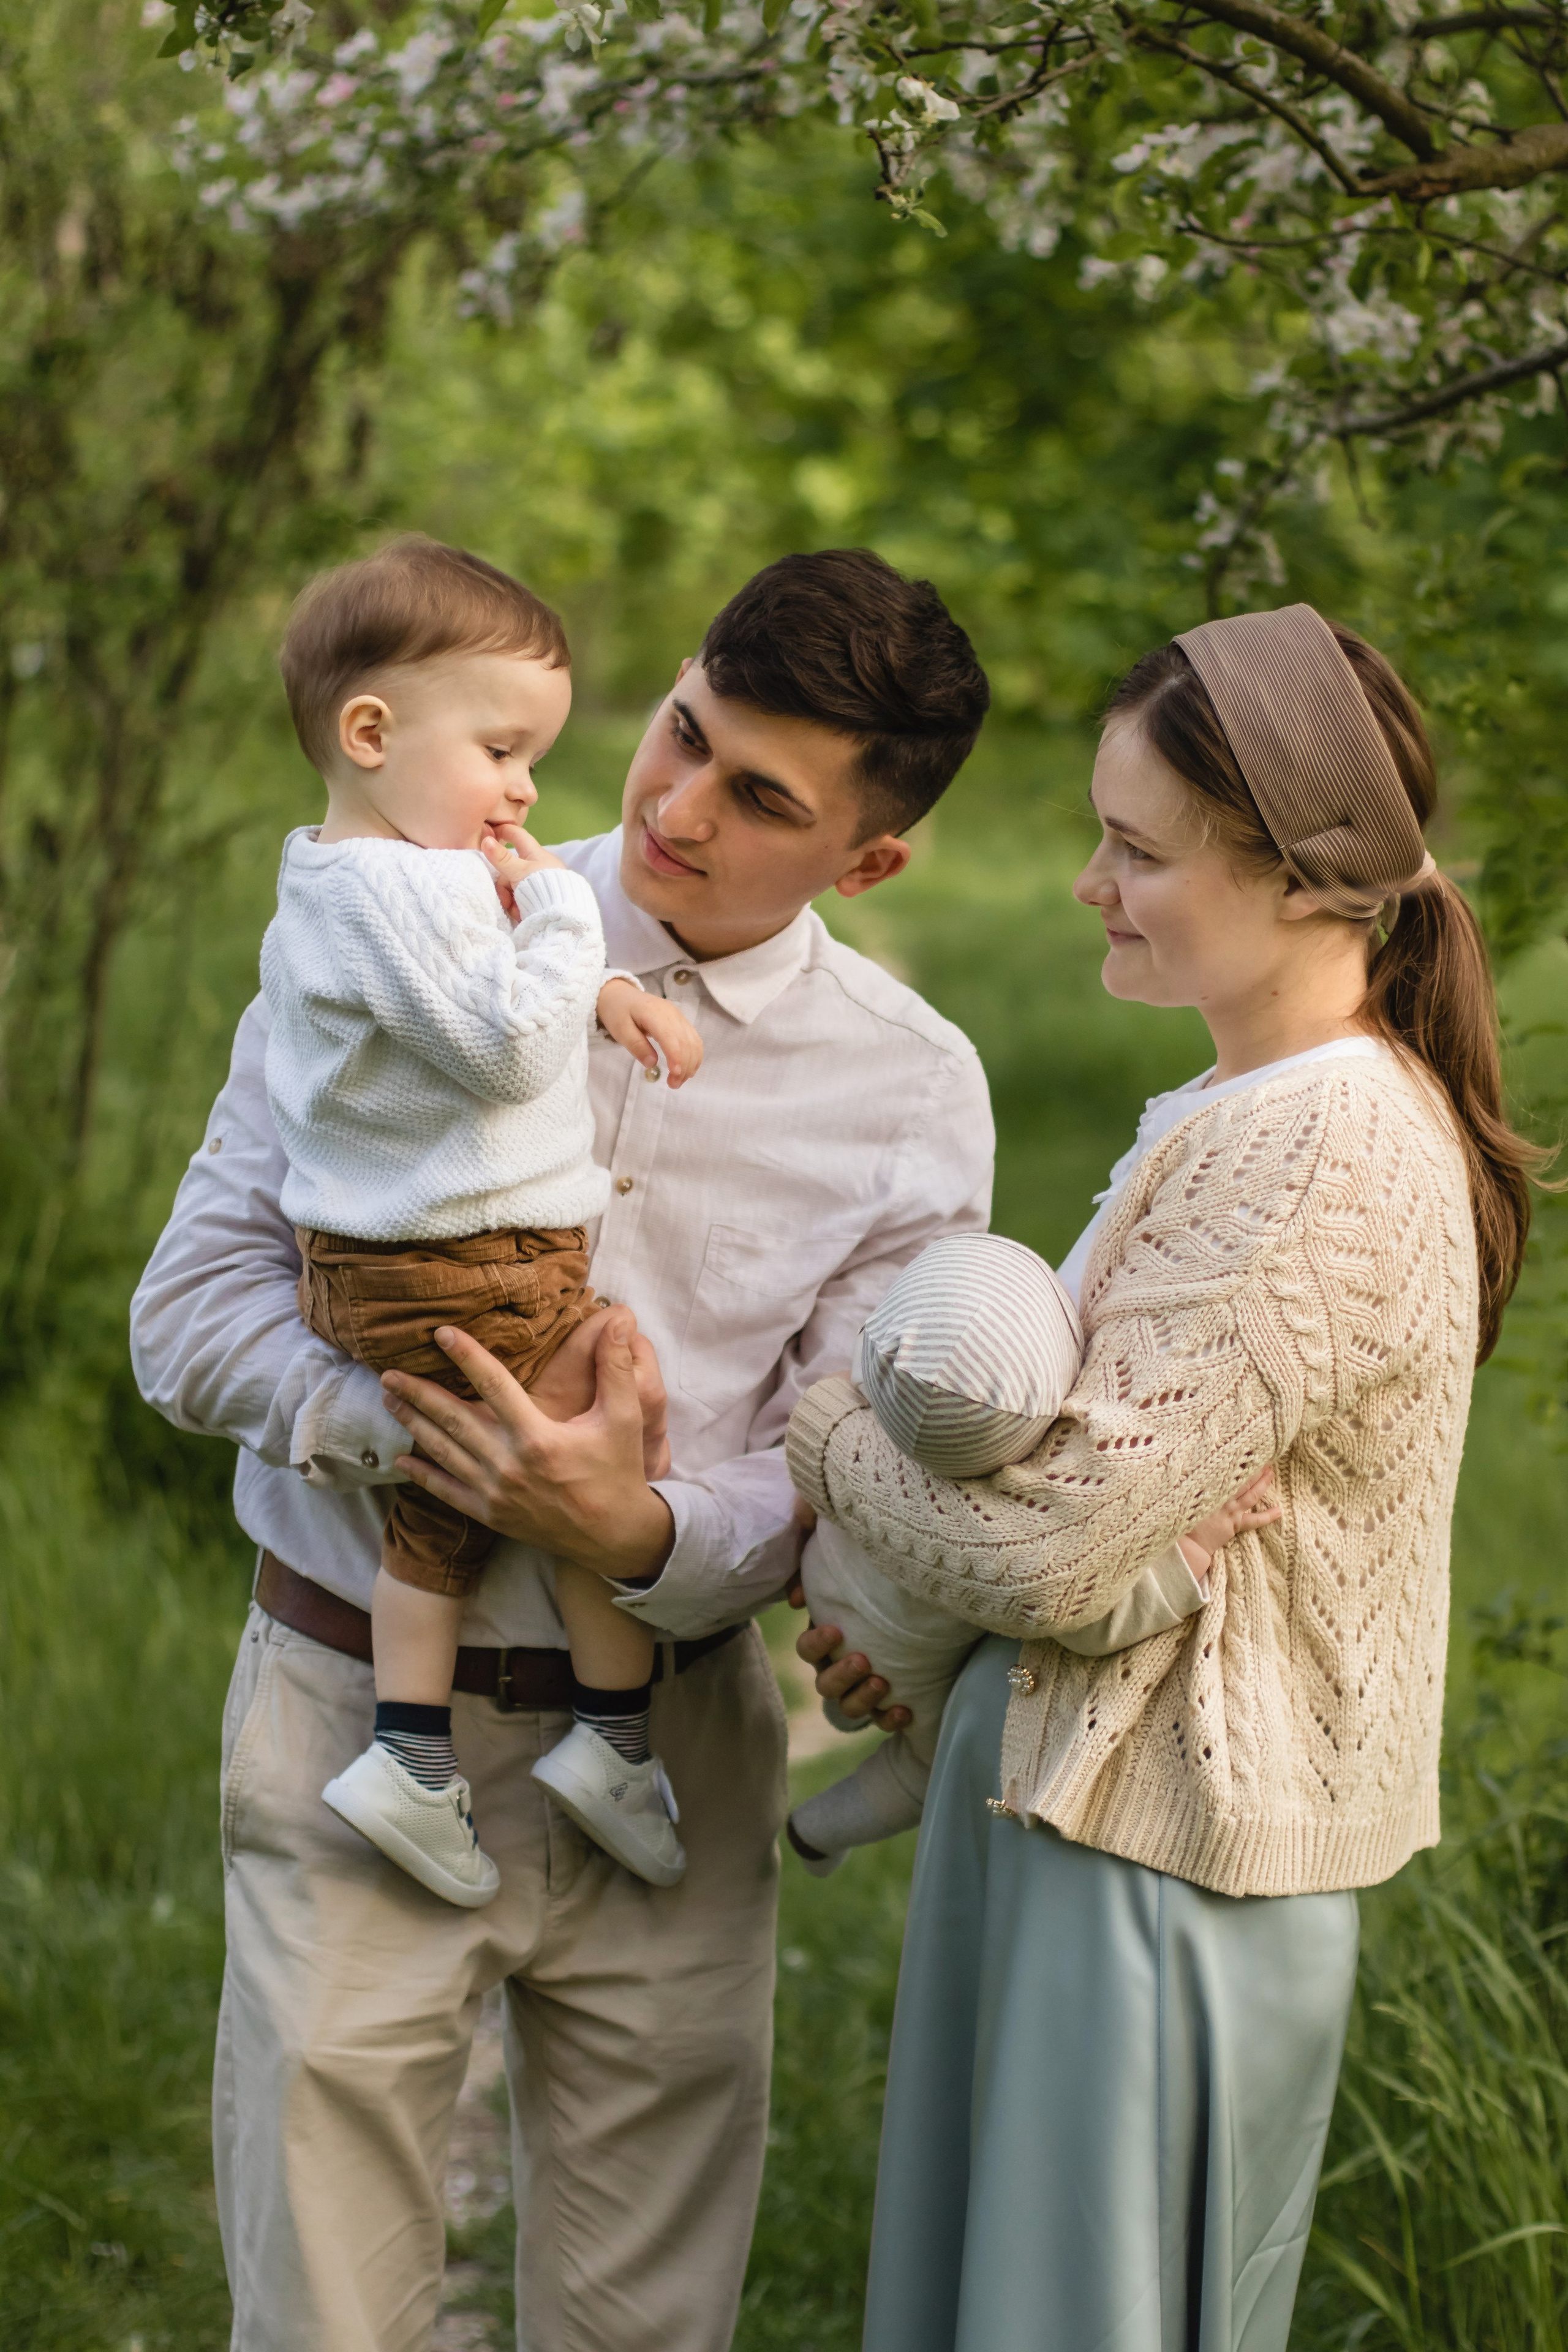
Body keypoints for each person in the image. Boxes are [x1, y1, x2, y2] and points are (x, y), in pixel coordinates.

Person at [130, 547, 996, 2352]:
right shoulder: (390, 912)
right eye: (681, 729)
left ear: (871, 857)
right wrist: (410, 1430)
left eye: (760, 796)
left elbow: (847, 1463)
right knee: (324, 2315)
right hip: (349, 1689)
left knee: (638, 2320)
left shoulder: (909, 1090)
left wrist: (649, 1518)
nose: (674, 804)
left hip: (669, 1748)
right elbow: (189, 1309)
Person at [788, 605, 1542, 2352]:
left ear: (1300, 878)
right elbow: (1081, 1527)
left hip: (1160, 1871)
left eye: (1135, 851)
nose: (1088, 886)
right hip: (1091, 1820)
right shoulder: (1243, 1102)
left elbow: (1049, 1554)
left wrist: (823, 1438)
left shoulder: (1318, 1148)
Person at [265, 535, 704, 1904]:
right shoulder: (395, 890)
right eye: (504, 751)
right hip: (458, 1260)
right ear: (371, 731)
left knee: (470, 1497)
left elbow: (479, 1006)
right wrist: (570, 912)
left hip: (406, 1260)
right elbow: (507, 1051)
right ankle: (598, 1740)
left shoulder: (370, 878)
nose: (527, 792)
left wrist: (605, 990)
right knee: (588, 1447)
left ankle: (429, 1752)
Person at [786, 1230, 1274, 1875]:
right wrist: (1198, 1539)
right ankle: (815, 1829)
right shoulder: (1011, 1515)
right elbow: (1087, 1615)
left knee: (848, 1680)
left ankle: (832, 1716)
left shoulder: (879, 1407)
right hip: (894, 1653)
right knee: (928, 1762)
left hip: (831, 1581)